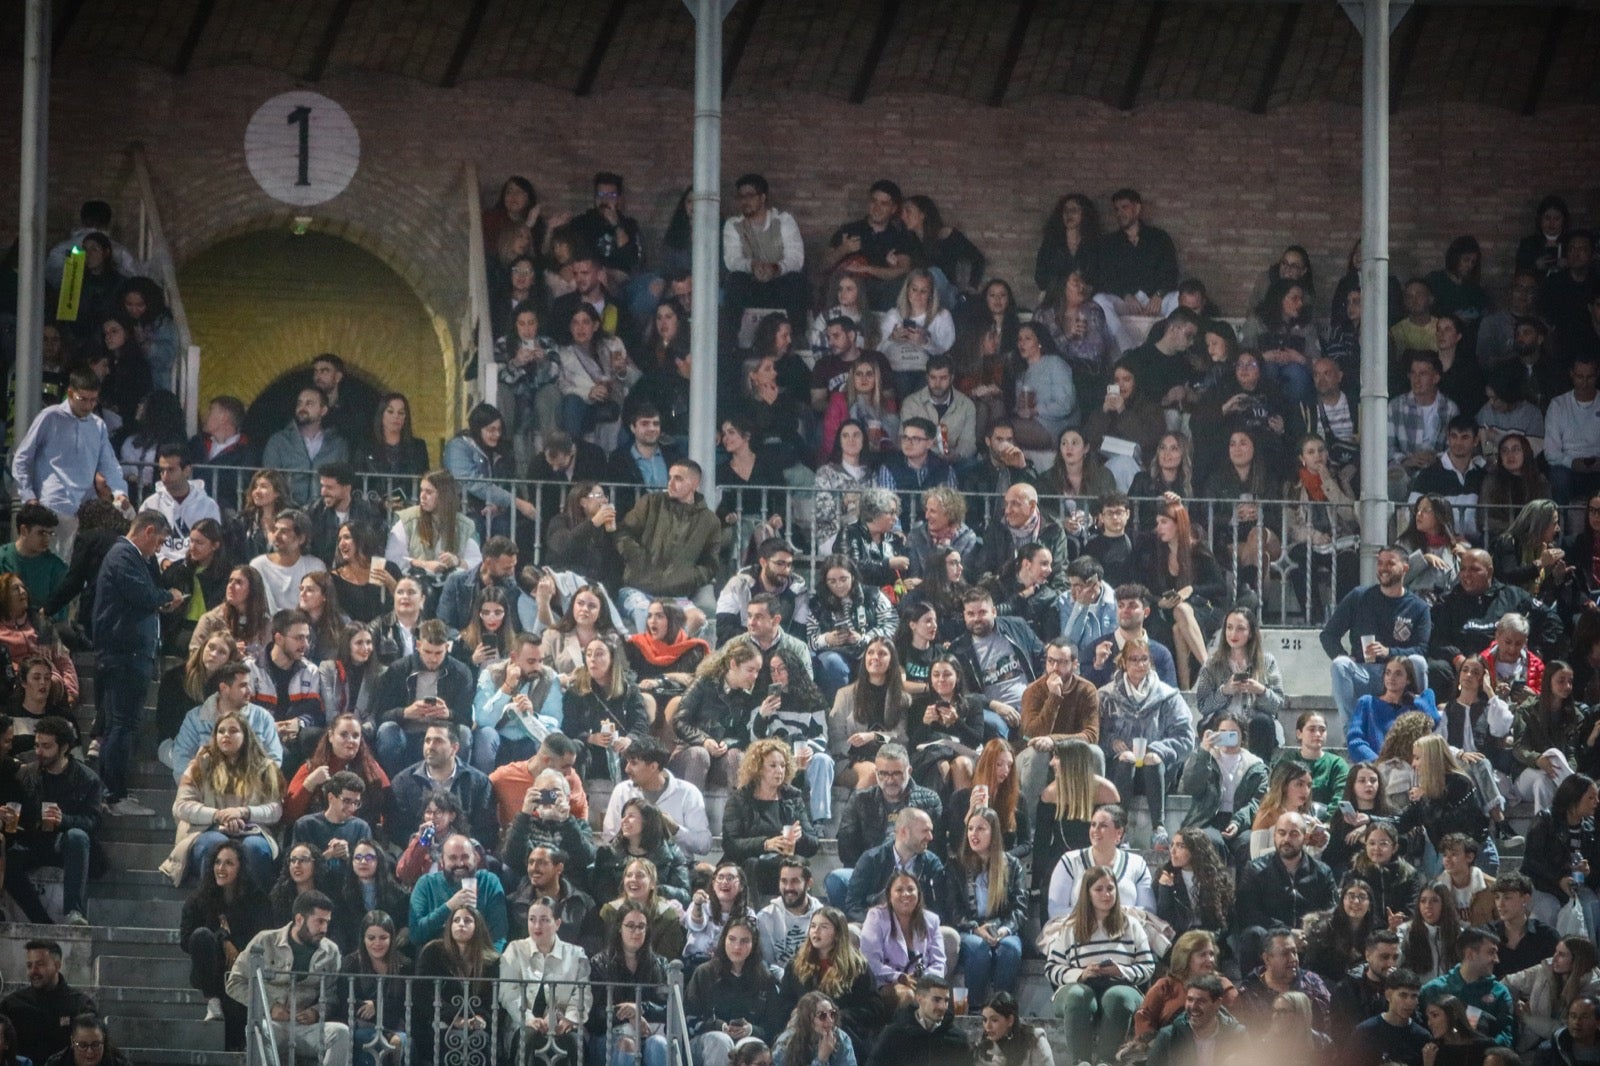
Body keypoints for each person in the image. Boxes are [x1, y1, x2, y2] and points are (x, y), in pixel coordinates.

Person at [94, 510, 183, 815]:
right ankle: (114, 795)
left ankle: (113, 793)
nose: (158, 548)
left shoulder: (135, 559)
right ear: (147, 531)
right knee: (122, 724)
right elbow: (143, 595)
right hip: (125, 655)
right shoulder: (123, 555)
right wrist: (167, 594)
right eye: (158, 541)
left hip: (131, 654)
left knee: (121, 724)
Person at [10, 369, 130, 558]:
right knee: (51, 562)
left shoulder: (98, 425)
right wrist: (29, 496)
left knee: (79, 565)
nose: (88, 405)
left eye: (93, 400)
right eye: (83, 399)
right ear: (70, 393)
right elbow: (22, 458)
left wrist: (119, 492)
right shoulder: (49, 417)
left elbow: (109, 464)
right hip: (53, 504)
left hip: (86, 510)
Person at [161, 710, 285, 891]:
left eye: (233, 731)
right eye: (221, 731)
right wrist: (218, 816)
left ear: (246, 735)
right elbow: (181, 806)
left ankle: (256, 909)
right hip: (205, 830)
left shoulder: (265, 768)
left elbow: (275, 809)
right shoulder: (199, 765)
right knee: (214, 845)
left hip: (252, 831)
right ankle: (210, 908)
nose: (226, 735)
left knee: (255, 849)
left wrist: (243, 812)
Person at [1045, 864, 1156, 1065]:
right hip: (1080, 987)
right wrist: (1080, 974)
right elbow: (1052, 968)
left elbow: (1148, 966)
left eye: (1110, 888)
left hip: (1121, 987)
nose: (1106, 894)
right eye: (1099, 889)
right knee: (1079, 996)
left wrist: (1121, 971)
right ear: (1087, 893)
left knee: (1117, 996)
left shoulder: (1131, 924)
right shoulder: (1070, 927)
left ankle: (1107, 1061)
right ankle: (1081, 1061)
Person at [225, 891, 348, 1066]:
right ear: (300, 919)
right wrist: (270, 1006)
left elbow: (331, 995)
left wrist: (317, 1012)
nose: (324, 929)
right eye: (319, 921)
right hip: (273, 1024)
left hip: (307, 1027)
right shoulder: (265, 940)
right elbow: (235, 982)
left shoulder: (331, 951)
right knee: (259, 1030)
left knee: (341, 1032)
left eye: (327, 922)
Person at [1096, 636, 1193, 851]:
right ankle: (1121, 829)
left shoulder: (1168, 696)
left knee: (1153, 760)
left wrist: (1159, 749)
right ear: (1123, 662)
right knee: (1126, 760)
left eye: (1144, 659)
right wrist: (1113, 743)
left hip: (1156, 771)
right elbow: (1095, 734)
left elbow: (1186, 737)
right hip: (1120, 770)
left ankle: (1159, 829)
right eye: (1133, 659)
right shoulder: (1106, 696)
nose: (1139, 665)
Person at [5, 718, 102, 926]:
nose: (39, 751)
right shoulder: (27, 773)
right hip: (34, 840)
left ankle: (74, 912)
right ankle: (41, 921)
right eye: (37, 745)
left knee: (77, 836)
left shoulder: (87, 779)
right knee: (8, 858)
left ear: (64, 747)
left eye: (46, 746)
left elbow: (92, 821)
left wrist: (63, 819)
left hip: (63, 842)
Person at [828, 741, 940, 906]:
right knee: (836, 880)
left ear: (909, 771)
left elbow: (932, 846)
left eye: (896, 774)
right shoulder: (861, 799)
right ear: (876, 772)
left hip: (913, 872)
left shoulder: (929, 800)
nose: (889, 780)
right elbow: (846, 848)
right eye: (883, 774)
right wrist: (869, 868)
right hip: (870, 872)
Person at [180, 840, 270, 1042]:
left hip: (243, 968)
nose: (221, 868)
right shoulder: (198, 899)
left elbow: (262, 937)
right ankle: (212, 1001)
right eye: (218, 862)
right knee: (201, 934)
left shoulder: (256, 899)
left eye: (229, 863)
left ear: (241, 868)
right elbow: (186, 939)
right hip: (210, 969)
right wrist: (222, 939)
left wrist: (233, 942)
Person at [497, 896, 592, 1064]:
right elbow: (508, 993)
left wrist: (569, 1019)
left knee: (572, 1040)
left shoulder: (576, 954)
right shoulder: (515, 950)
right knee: (529, 1036)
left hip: (565, 1023)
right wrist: (528, 1019)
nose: (536, 926)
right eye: (532, 920)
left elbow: (583, 994)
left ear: (557, 923)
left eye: (544, 920)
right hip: (524, 1023)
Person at [948, 806, 1027, 1004]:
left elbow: (1019, 907)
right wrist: (975, 928)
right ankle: (974, 1009)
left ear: (994, 833)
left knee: (1010, 950)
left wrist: (1004, 930)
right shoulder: (955, 865)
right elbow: (953, 909)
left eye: (981, 829)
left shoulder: (1012, 865)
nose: (974, 834)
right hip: (970, 929)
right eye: (970, 829)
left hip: (1001, 926)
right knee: (978, 949)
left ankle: (1002, 1008)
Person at [723, 736, 821, 895]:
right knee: (753, 864)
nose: (779, 771)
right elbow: (730, 844)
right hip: (748, 865)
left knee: (792, 867)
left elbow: (813, 844)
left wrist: (799, 838)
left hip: (782, 863)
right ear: (759, 768)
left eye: (783, 766)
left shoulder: (792, 797)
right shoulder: (740, 799)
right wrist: (765, 844)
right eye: (773, 766)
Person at [410, 904, 500, 1066]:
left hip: (475, 1026)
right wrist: (455, 1019)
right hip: (436, 1022)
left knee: (480, 1039)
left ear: (477, 926)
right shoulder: (432, 952)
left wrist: (479, 1018)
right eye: (456, 920)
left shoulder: (491, 961)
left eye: (467, 920)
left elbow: (490, 1000)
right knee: (451, 1038)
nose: (461, 924)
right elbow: (422, 994)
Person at [585, 899, 671, 1066]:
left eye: (641, 927)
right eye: (630, 926)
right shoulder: (599, 963)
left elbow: (669, 1010)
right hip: (610, 1037)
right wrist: (626, 1015)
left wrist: (640, 1009)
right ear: (619, 928)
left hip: (649, 1034)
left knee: (659, 1044)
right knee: (627, 1044)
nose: (636, 932)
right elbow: (594, 1017)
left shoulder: (660, 964)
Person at [1236, 814, 1339, 953]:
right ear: (1275, 836)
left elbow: (1331, 911)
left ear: (1304, 837)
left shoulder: (1322, 872)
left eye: (1294, 834)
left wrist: (1308, 932)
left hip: (1310, 940)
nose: (1286, 839)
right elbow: (1248, 912)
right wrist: (1287, 933)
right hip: (1271, 940)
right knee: (1252, 934)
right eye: (1281, 833)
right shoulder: (1256, 870)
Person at [685, 918, 781, 1066]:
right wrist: (719, 1026)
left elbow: (773, 1027)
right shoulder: (704, 973)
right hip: (706, 1042)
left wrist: (751, 1030)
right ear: (724, 941)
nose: (737, 946)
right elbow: (688, 1020)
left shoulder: (765, 979)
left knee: (752, 1046)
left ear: (753, 945)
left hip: (747, 1040)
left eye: (744, 941)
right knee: (720, 1041)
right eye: (732, 939)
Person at [602, 736, 713, 857]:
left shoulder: (688, 792)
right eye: (627, 762)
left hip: (677, 867)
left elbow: (704, 845)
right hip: (631, 867)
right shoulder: (622, 790)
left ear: (653, 767)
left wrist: (676, 830)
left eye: (634, 763)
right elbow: (610, 838)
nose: (627, 769)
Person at [1045, 802, 1155, 918]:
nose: (1095, 830)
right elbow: (1055, 910)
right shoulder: (1069, 861)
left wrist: (1116, 917)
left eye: (1103, 826)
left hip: (1126, 932)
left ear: (1119, 832)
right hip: (1079, 932)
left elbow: (1148, 910)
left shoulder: (1137, 864)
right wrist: (1095, 918)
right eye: (1093, 825)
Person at [1522, 773, 1600, 933]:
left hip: (1575, 884)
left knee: (1591, 905)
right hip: (1543, 884)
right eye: (1591, 798)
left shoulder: (1590, 827)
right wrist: (1559, 879)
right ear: (1574, 798)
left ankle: (1586, 954)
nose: (1596, 803)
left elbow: (1595, 862)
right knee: (1549, 909)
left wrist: (1587, 871)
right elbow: (1533, 861)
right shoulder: (1546, 820)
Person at [1421, 927, 1515, 1048]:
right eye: (1491, 952)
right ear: (1470, 954)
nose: (1496, 960)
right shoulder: (1433, 990)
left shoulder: (1499, 992)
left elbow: (1506, 1036)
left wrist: (1481, 1046)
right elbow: (1421, 1032)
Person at [261, 386, 348, 505]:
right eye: (299, 403)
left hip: (325, 513)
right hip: (286, 512)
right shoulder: (279, 441)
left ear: (323, 410)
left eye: (309, 404)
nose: (302, 408)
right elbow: (269, 479)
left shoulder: (338, 445)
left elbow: (343, 482)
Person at [864, 976, 967, 1066]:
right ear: (919, 999)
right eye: (936, 1000)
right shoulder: (894, 1035)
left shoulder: (958, 1039)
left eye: (946, 1001)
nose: (943, 1006)